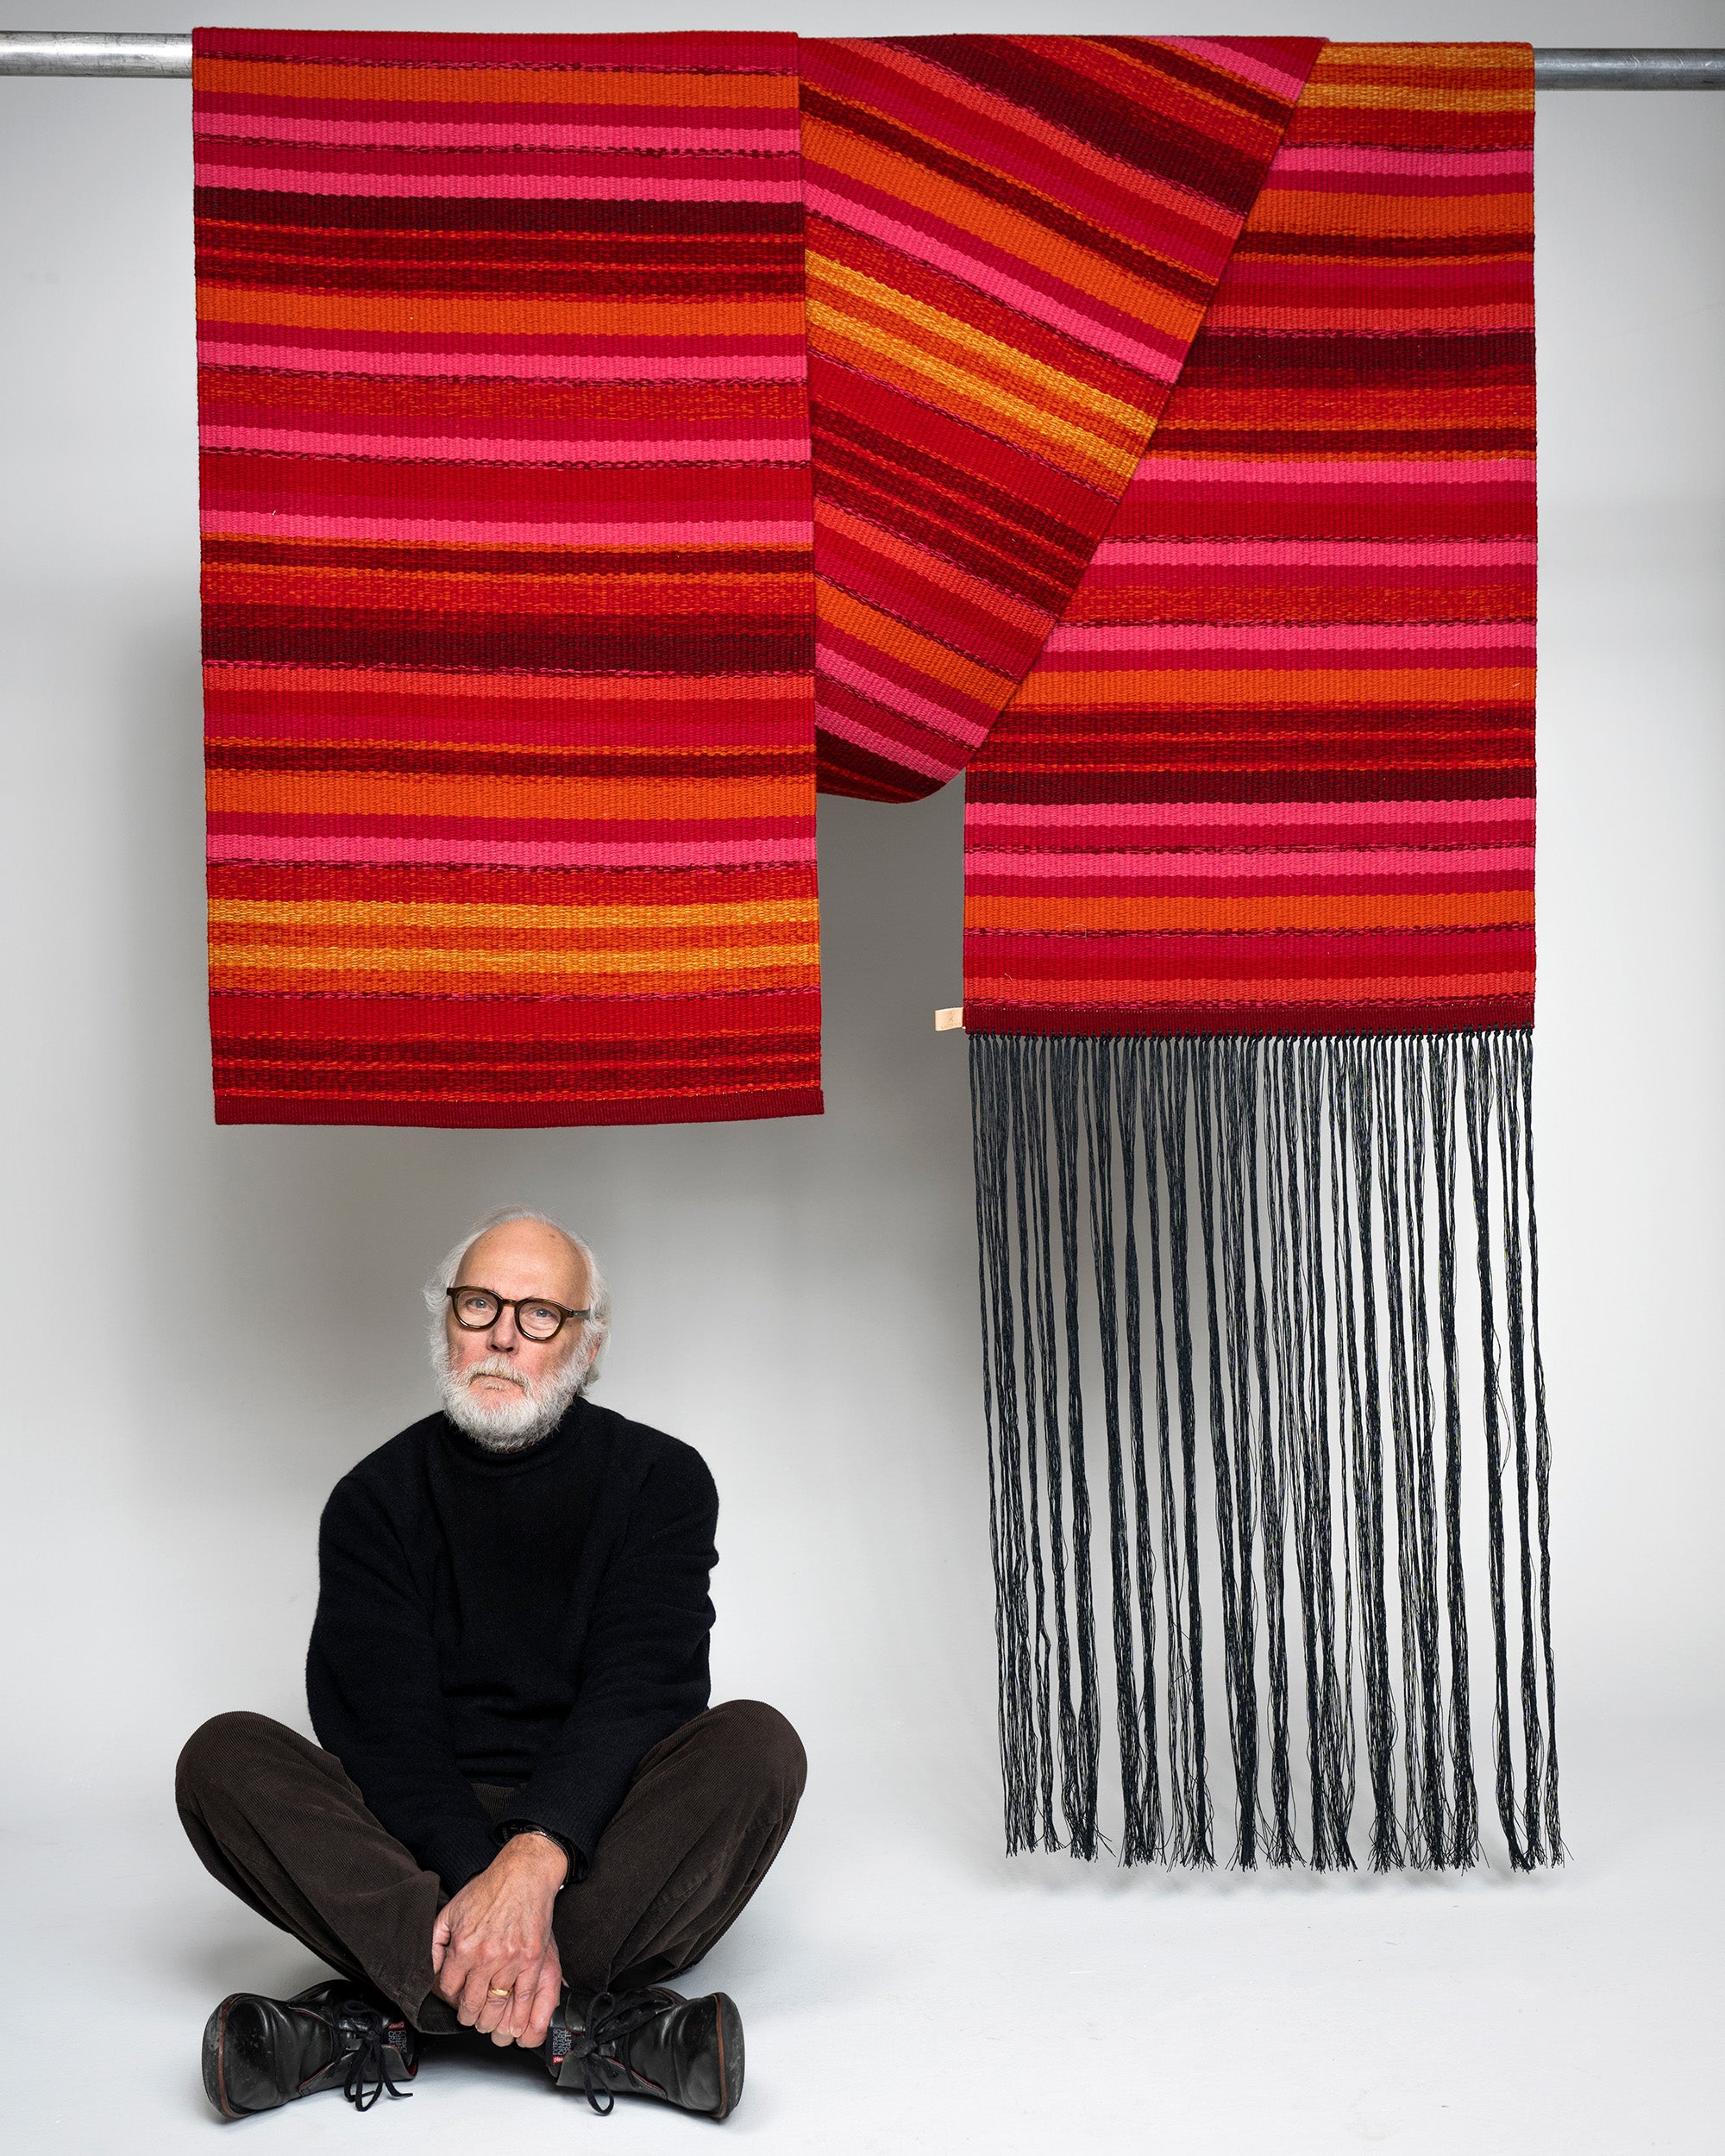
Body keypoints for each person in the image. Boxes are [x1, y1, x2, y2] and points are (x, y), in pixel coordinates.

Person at [175, 1208, 806, 2123]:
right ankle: (588, 2027)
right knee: (222, 1757)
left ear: (588, 1345)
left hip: (598, 1834)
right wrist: (488, 1894)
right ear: (448, 1322)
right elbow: (385, 1738)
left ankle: (380, 2019)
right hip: (413, 1840)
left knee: (757, 1746)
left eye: (539, 1314)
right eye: (479, 1305)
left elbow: (644, 1691)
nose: (504, 1335)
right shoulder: (371, 1500)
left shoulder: (661, 1479)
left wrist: (536, 1859)